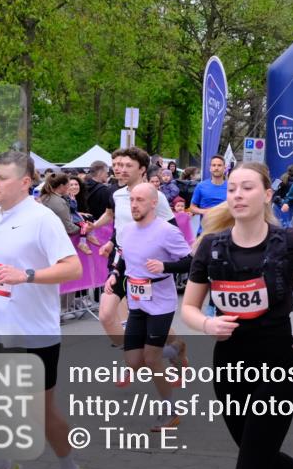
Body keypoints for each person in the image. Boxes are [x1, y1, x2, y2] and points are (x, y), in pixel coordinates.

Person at [180, 162, 293, 469]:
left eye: (247, 187)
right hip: (229, 364)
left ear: (266, 195)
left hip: (279, 361)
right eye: (232, 188)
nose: (237, 194)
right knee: (258, 452)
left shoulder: (289, 242)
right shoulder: (211, 246)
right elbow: (188, 307)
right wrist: (207, 323)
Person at [0, 151, 89, 469]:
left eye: (2, 177)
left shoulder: (41, 219)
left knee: (42, 413)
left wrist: (27, 276)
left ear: (25, 182)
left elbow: (73, 268)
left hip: (33, 332)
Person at [112, 183, 192, 431]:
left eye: (140, 200)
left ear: (153, 203)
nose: (134, 205)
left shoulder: (166, 231)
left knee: (151, 357)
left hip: (160, 302)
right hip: (136, 300)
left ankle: (170, 413)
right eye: (132, 200)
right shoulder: (126, 230)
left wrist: (165, 267)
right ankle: (175, 350)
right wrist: (114, 275)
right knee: (134, 361)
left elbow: (190, 261)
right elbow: (124, 260)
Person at [93, 147, 178, 354]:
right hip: (121, 262)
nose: (121, 169)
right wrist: (112, 242)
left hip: (147, 266)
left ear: (142, 169)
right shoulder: (117, 194)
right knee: (105, 315)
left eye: (127, 166)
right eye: (118, 165)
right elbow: (121, 226)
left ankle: (176, 347)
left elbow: (172, 229)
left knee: (151, 318)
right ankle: (132, 352)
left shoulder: (155, 196)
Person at [191, 154, 228, 234]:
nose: (216, 168)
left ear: (224, 168)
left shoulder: (231, 187)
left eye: (219, 165)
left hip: (224, 233)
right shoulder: (201, 186)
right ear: (210, 168)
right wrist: (204, 211)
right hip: (205, 232)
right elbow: (192, 208)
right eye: (213, 165)